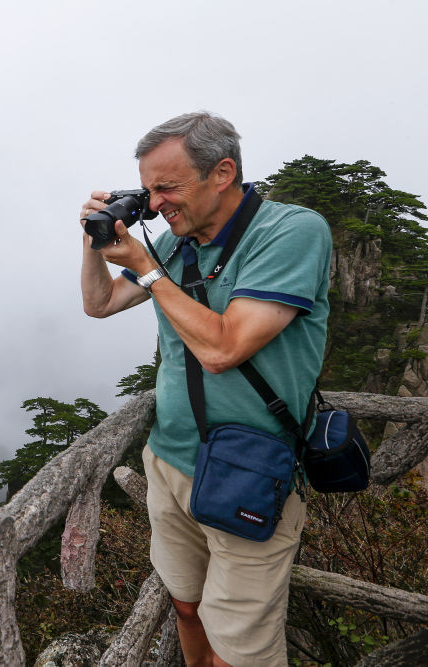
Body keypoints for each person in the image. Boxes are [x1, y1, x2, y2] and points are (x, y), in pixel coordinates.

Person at [79, 111, 331, 667]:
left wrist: (147, 269)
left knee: (240, 650)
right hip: (169, 460)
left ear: (222, 172)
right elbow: (99, 305)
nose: (156, 202)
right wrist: (95, 241)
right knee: (187, 606)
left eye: (166, 187)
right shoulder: (174, 243)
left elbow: (222, 349)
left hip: (251, 466)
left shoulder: (290, 232)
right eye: (147, 190)